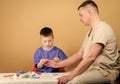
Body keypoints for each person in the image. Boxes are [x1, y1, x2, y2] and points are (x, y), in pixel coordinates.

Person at [45, 0, 119, 84]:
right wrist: (57, 64)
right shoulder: (91, 32)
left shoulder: (102, 29)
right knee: (65, 75)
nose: (80, 18)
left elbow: (91, 57)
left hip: (105, 72)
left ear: (90, 12)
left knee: (75, 81)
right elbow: (79, 55)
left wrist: (70, 76)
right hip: (92, 69)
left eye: (81, 15)